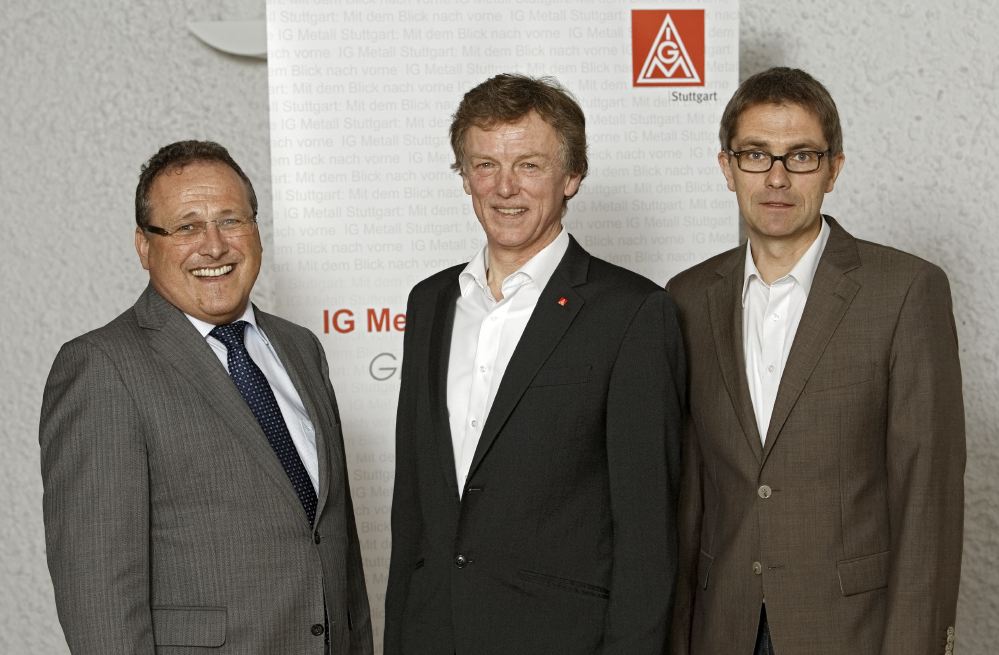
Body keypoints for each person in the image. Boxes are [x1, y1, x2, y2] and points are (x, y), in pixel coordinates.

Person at [384, 74, 685, 654]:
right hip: (434, 633)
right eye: (485, 165)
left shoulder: (632, 312)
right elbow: (413, 508)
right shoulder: (430, 302)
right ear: (464, 176)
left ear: (571, 176)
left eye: (529, 165)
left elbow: (648, 534)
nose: (505, 187)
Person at [668, 67, 965, 654]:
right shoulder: (686, 298)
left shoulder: (905, 290)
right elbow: (689, 495)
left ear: (834, 169)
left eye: (801, 156)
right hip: (721, 628)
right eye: (756, 155)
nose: (776, 177)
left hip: (850, 632)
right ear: (727, 168)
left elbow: (927, 498)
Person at [39, 140, 373, 654]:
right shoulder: (102, 367)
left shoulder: (301, 348)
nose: (214, 247)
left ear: (256, 230)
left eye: (231, 221)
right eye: (187, 227)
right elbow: (97, 599)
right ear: (144, 246)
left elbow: (336, 546)